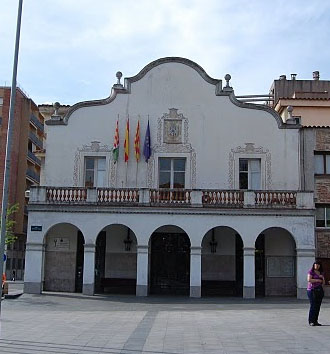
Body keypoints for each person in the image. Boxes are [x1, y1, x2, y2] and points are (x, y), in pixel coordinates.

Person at [307, 261, 325, 326]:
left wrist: (322, 278)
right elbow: (309, 280)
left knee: (318, 306)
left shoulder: (321, 273)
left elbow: (323, 283)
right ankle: (311, 321)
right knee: (313, 305)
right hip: (312, 290)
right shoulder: (311, 272)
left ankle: (315, 321)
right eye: (316, 265)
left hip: (319, 290)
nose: (317, 266)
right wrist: (318, 280)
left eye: (318, 265)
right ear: (313, 265)